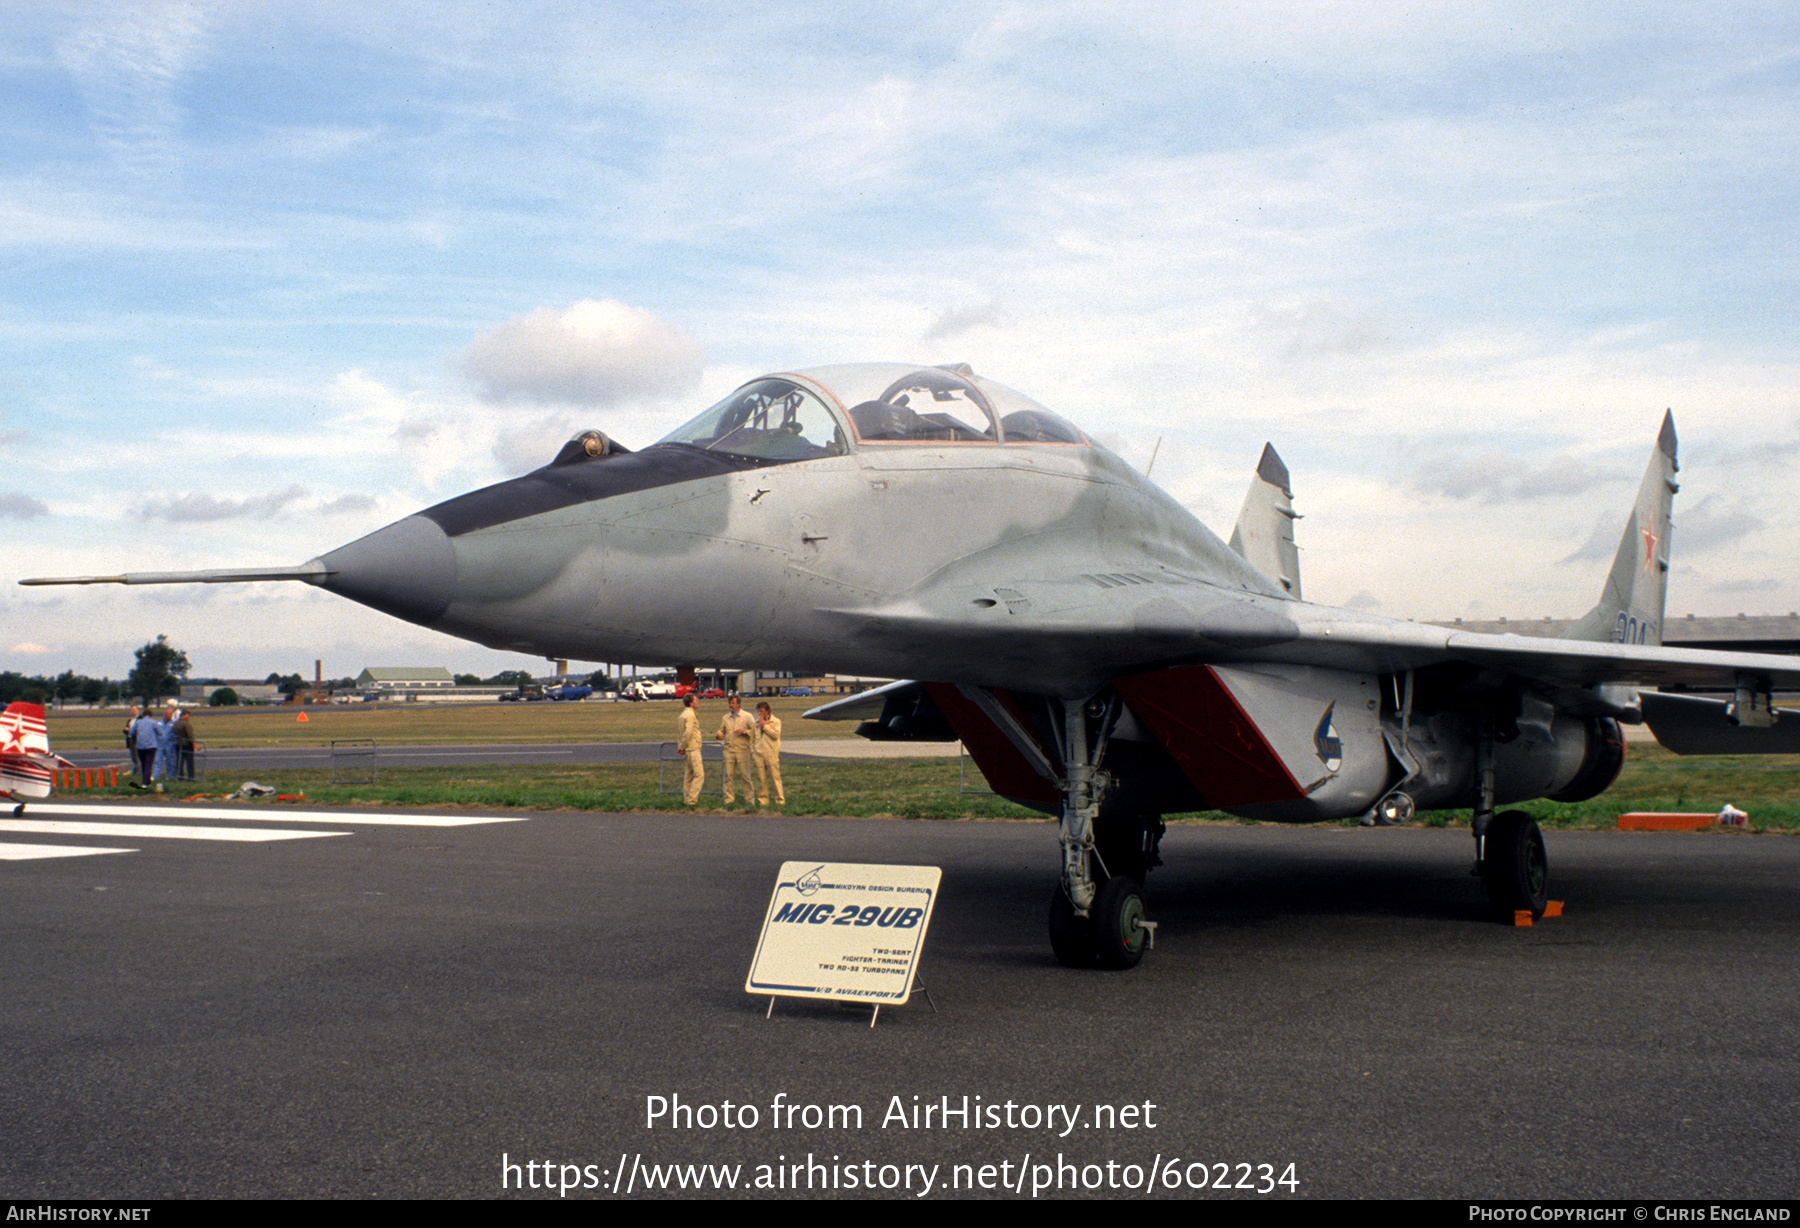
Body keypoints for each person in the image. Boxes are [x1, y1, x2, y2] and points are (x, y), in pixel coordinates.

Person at [715, 694, 757, 806]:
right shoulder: (725, 718)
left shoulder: (747, 716)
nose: (731, 705)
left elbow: (755, 731)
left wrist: (744, 732)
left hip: (742, 750)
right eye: (730, 703)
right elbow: (721, 730)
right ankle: (729, 799)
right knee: (728, 775)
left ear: (738, 704)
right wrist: (719, 734)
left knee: (745, 776)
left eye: (733, 703)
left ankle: (750, 799)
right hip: (729, 750)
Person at [753, 701, 784, 807]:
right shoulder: (756, 723)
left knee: (775, 778)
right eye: (758, 711)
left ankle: (779, 800)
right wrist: (754, 751)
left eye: (761, 711)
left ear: (767, 711)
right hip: (759, 754)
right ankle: (763, 800)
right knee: (761, 779)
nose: (759, 714)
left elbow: (775, 735)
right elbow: (753, 737)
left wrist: (765, 726)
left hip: (771, 753)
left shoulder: (775, 722)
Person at [676, 693, 704, 805]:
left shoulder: (683, 715)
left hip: (687, 748)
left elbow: (680, 733)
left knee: (689, 776)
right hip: (692, 748)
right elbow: (688, 732)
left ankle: (686, 798)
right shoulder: (691, 715)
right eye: (696, 700)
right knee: (699, 775)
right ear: (691, 703)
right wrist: (683, 746)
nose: (698, 702)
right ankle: (692, 800)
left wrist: (681, 747)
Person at [173, 709, 197, 781]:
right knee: (190, 762)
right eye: (187, 715)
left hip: (178, 744)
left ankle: (180, 777)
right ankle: (191, 777)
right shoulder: (186, 724)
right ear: (183, 715)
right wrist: (195, 744)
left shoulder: (176, 723)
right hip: (187, 745)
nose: (188, 717)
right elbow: (190, 735)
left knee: (180, 762)